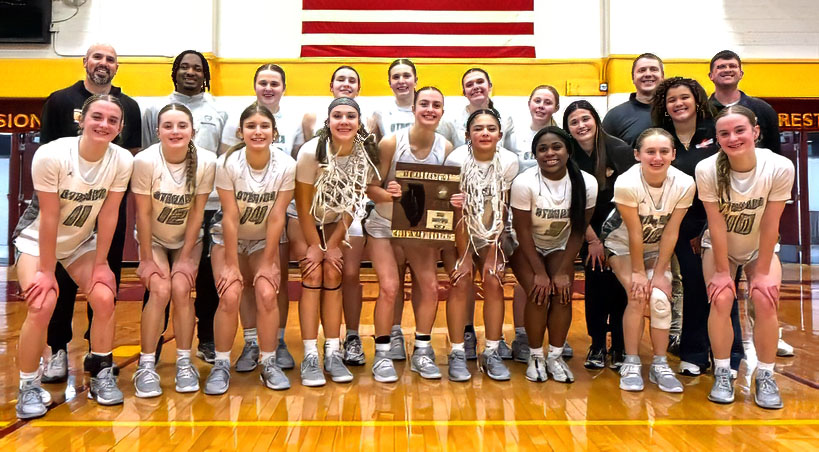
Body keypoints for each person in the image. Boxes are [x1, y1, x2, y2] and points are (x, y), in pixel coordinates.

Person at [14, 95, 133, 418]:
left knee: (105, 297)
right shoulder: (51, 154)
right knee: (43, 303)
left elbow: (109, 215)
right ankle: (27, 385)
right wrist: (47, 272)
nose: (103, 124)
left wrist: (100, 264)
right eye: (97, 116)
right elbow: (49, 216)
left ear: (120, 127)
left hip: (80, 241)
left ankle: (101, 372)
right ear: (82, 119)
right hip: (37, 241)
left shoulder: (122, 160)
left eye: (112, 120)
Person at [35, 43, 141, 383]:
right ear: (85, 62)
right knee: (60, 281)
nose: (103, 63)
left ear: (116, 67)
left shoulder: (130, 106)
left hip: (107, 204)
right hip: (66, 207)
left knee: (102, 281)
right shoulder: (59, 100)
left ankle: (99, 354)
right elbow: (46, 151)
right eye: (97, 57)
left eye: (110, 59)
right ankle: (57, 349)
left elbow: (132, 155)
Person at [696, 105, 793, 409]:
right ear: (717, 138)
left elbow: (770, 223)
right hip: (720, 245)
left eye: (740, 131)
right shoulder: (707, 169)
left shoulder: (779, 166)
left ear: (755, 132)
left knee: (765, 299)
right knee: (722, 297)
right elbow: (716, 223)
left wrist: (762, 272)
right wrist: (723, 272)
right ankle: (723, 372)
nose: (733, 138)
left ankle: (765, 375)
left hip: (758, 247)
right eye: (724, 133)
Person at [650, 77, 746, 376]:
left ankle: (731, 355)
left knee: (723, 287)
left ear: (697, 100)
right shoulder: (661, 138)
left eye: (684, 97)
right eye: (671, 100)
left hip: (721, 223)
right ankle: (694, 352)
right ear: (664, 107)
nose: (678, 104)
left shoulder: (715, 131)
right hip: (681, 226)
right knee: (693, 287)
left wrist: (707, 229)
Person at [141, 50, 228, 365]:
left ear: (205, 74)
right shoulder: (155, 108)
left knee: (206, 277)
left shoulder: (219, 109)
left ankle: (207, 339)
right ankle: (153, 344)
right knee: (160, 280)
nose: (190, 72)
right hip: (164, 204)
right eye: (184, 67)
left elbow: (223, 157)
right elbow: (145, 150)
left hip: (208, 204)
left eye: (197, 68)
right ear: (174, 72)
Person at [203, 103, 295, 394]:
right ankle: (220, 363)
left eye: (264, 126)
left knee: (267, 292)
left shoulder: (286, 165)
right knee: (230, 294)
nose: (258, 131)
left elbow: (279, 215)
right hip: (227, 237)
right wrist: (231, 264)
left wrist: (269, 261)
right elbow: (229, 216)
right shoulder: (227, 164)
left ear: (274, 132)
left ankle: (268, 362)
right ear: (240, 132)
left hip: (262, 238)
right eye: (252, 126)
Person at [365, 86, 453, 381]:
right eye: (424, 104)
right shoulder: (391, 142)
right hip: (384, 227)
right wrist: (387, 194)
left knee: (429, 287)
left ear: (442, 112)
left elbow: (445, 192)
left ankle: (423, 351)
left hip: (418, 229)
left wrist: (454, 200)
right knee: (389, 287)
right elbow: (370, 188)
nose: (430, 109)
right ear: (414, 108)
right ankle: (382, 354)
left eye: (436, 105)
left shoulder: (446, 148)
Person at [131, 103, 216, 397]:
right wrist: (144, 260)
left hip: (188, 239)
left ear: (193, 130)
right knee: (160, 290)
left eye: (182, 125)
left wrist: (185, 257)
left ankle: (184, 362)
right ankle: (146, 365)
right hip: (152, 238)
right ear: (158, 131)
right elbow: (142, 214)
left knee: (181, 288)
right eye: (168, 126)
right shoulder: (144, 161)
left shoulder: (207, 161)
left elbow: (197, 212)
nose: (175, 131)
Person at [602, 128, 695, 393]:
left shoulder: (685, 183)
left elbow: (671, 231)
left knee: (660, 300)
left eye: (664, 151)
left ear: (673, 154)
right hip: (622, 244)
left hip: (656, 245)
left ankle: (659, 364)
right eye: (650, 152)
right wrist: (640, 273)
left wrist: (660, 271)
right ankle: (631, 362)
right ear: (637, 155)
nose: (657, 157)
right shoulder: (627, 183)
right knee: (637, 293)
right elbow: (633, 232)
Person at [295, 97, 380, 387]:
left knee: (334, 270)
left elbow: (351, 206)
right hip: (303, 220)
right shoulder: (311, 152)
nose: (344, 121)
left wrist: (332, 245)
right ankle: (309, 356)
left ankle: (332, 351)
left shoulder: (363, 154)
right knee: (313, 270)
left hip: (334, 222)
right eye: (337, 116)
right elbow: (303, 204)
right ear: (328, 121)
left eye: (350, 116)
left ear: (359, 123)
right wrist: (315, 247)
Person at [221, 64, 298, 373]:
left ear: (283, 87)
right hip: (242, 207)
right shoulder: (232, 143)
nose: (269, 87)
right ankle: (251, 342)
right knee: (243, 284)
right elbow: (230, 164)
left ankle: (276, 341)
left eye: (275, 83)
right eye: (263, 82)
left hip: (277, 207)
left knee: (273, 280)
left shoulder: (297, 121)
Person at [509, 126, 596, 383]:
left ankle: (555, 356)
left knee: (563, 293)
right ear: (535, 155)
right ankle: (535, 356)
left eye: (556, 147)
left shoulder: (586, 183)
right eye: (542, 149)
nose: (550, 153)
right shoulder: (524, 182)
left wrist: (561, 271)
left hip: (561, 243)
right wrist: (539, 272)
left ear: (568, 150)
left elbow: (578, 230)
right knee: (538, 293)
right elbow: (521, 232)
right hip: (525, 244)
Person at [445, 109, 519, 381]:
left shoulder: (509, 162)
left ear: (500, 134)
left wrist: (492, 253)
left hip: (492, 233)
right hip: (459, 232)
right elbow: (456, 213)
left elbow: (502, 208)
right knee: (461, 279)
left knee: (493, 279)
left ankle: (492, 350)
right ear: (468, 135)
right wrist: (464, 256)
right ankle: (456, 351)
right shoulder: (456, 160)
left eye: (491, 128)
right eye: (478, 128)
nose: (485, 133)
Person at [563, 101, 634, 370]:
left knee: (620, 288)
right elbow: (574, 203)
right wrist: (592, 240)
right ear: (568, 128)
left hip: (620, 229)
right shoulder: (568, 156)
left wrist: (610, 239)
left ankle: (619, 344)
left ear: (596, 120)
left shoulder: (619, 150)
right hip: (587, 231)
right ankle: (597, 345)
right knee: (596, 288)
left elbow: (628, 198)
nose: (581, 125)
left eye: (585, 119)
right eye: (574, 122)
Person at [506, 85, 561, 363]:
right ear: (529, 103)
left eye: (548, 101)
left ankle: (551, 339)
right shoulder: (513, 133)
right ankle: (522, 336)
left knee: (551, 279)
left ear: (556, 107)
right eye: (537, 100)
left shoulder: (560, 136)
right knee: (525, 279)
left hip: (552, 215)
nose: (541, 105)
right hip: (520, 212)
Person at [708, 50, 781, 154]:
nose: (727, 70)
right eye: (721, 67)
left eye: (732, 66)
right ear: (711, 76)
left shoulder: (763, 110)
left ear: (741, 74)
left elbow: (775, 151)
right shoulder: (700, 111)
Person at [602, 53, 664, 147]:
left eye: (653, 69)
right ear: (633, 78)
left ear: (662, 76)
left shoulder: (675, 112)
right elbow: (602, 154)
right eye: (642, 70)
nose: (648, 74)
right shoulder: (615, 116)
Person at [371, 58, 417, 143]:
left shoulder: (428, 110)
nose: (401, 81)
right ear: (390, 83)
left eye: (406, 76)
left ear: (415, 81)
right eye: (396, 77)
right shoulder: (379, 113)